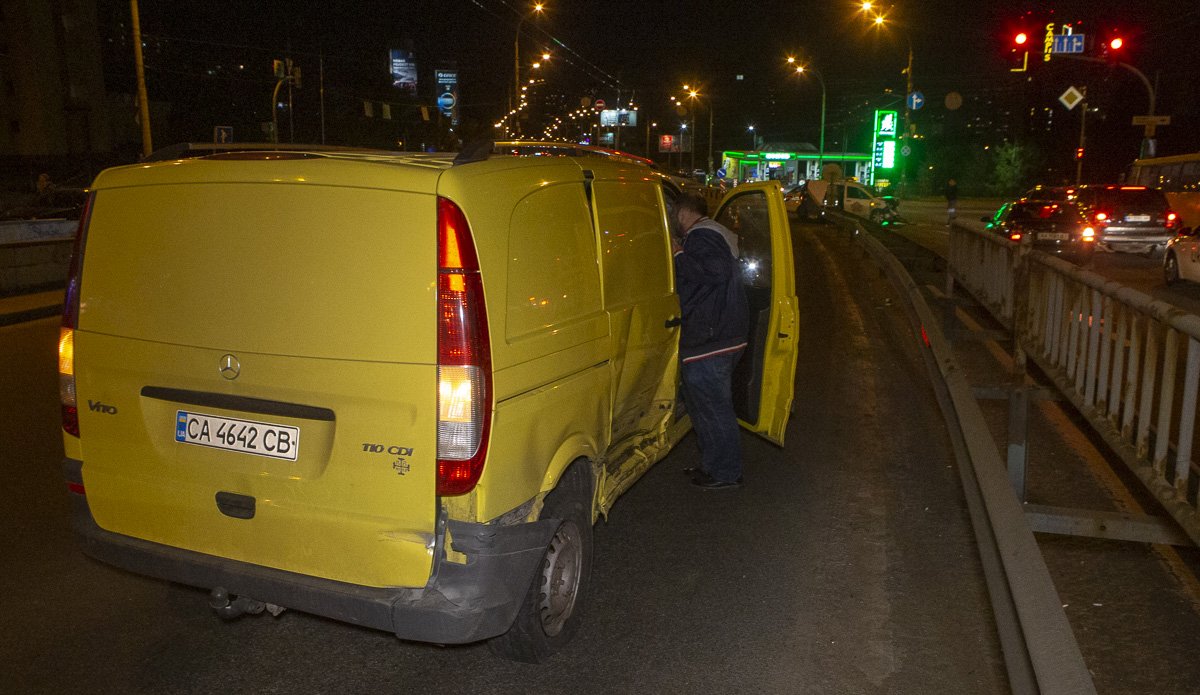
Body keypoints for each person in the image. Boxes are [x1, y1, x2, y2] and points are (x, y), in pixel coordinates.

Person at [670, 192, 749, 490]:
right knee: (705, 409)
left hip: (711, 340)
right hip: (718, 337)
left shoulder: (703, 236)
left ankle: (726, 473)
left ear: (681, 212)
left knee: (714, 411)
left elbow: (714, 272)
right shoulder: (716, 234)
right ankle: (713, 466)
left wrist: (678, 254)